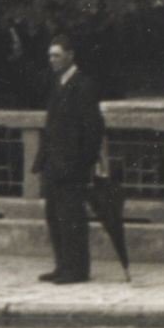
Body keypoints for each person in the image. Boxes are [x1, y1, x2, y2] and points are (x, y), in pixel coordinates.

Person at [34, 36, 104, 286]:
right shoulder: (58, 83)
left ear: (70, 56)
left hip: (72, 165)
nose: (52, 60)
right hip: (54, 163)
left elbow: (93, 128)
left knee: (72, 218)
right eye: (50, 55)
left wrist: (83, 163)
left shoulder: (83, 85)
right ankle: (62, 265)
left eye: (57, 55)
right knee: (54, 216)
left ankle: (77, 270)